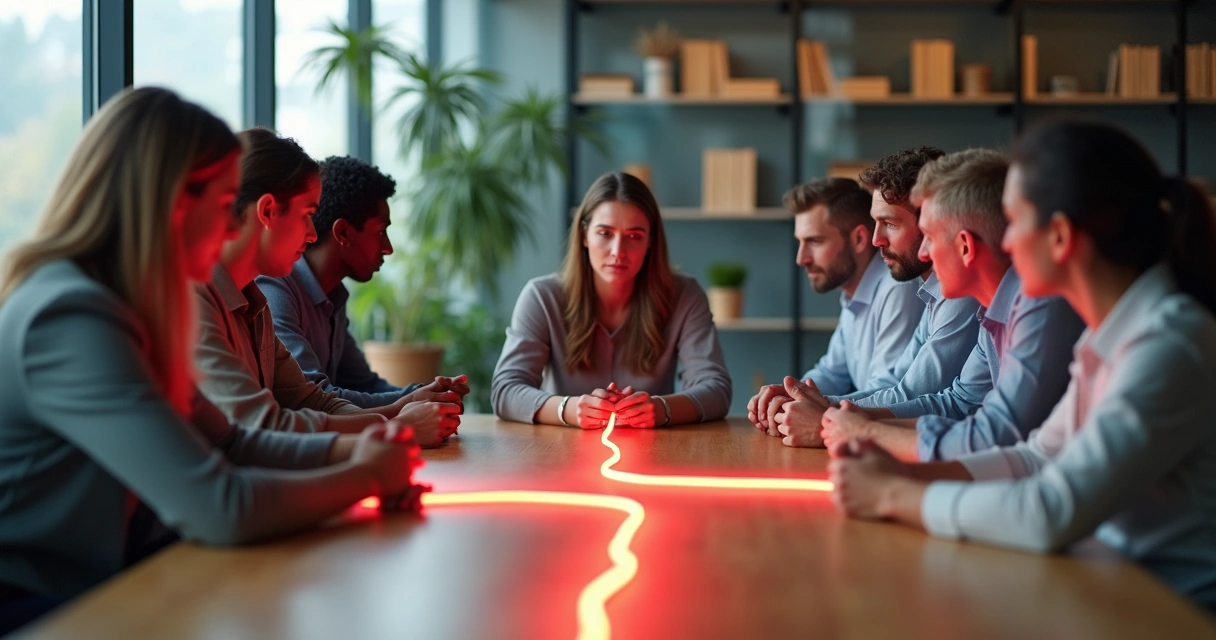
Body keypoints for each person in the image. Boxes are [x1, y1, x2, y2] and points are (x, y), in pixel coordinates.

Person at [0, 88, 425, 632]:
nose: (234, 229)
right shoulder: (70, 316)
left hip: (119, 579)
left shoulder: (137, 303)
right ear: (172, 201)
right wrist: (366, 474)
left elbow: (229, 439)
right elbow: (220, 505)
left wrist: (352, 446)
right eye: (226, 205)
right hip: (43, 605)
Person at [829, 120, 1216, 612]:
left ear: (1058, 236)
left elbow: (1051, 509)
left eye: (1014, 221)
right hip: (1114, 586)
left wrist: (892, 495)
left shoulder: (1168, 344)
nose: (1004, 243)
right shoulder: (1113, 332)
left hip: (1173, 613)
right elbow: (1037, 457)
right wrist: (910, 477)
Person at [793, 150, 1085, 461]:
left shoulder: (1037, 303)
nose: (924, 254)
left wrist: (856, 429)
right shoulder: (991, 310)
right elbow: (959, 402)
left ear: (964, 245)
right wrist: (842, 418)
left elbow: (997, 433)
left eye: (930, 236)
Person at [196, 129, 461, 445]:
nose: (311, 233)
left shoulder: (255, 301)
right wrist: (395, 427)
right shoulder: (198, 301)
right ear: (267, 211)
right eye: (308, 215)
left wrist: (401, 410)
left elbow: (312, 400)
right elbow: (262, 425)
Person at [760, 147, 983, 446]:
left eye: (890, 223)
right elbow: (899, 383)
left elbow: (918, 395)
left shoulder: (934, 290)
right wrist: (803, 400)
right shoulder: (930, 291)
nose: (877, 239)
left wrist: (826, 417)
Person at [492, 172, 731, 428]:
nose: (618, 252)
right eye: (605, 233)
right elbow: (505, 390)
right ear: (584, 235)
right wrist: (568, 409)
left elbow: (716, 390)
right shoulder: (542, 296)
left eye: (634, 236)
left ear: (651, 241)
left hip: (655, 450)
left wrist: (661, 408)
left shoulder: (685, 296)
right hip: (560, 452)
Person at [257, 155, 469, 410]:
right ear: (343, 232)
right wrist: (411, 401)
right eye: (380, 231)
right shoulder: (277, 287)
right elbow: (313, 399)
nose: (388, 248)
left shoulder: (333, 295)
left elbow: (363, 384)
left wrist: (425, 393)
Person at [745, 178, 922, 435]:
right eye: (800, 242)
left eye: (815, 241)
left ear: (860, 239)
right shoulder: (854, 293)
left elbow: (888, 390)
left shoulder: (897, 288)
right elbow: (832, 372)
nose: (801, 259)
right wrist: (789, 393)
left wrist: (812, 406)